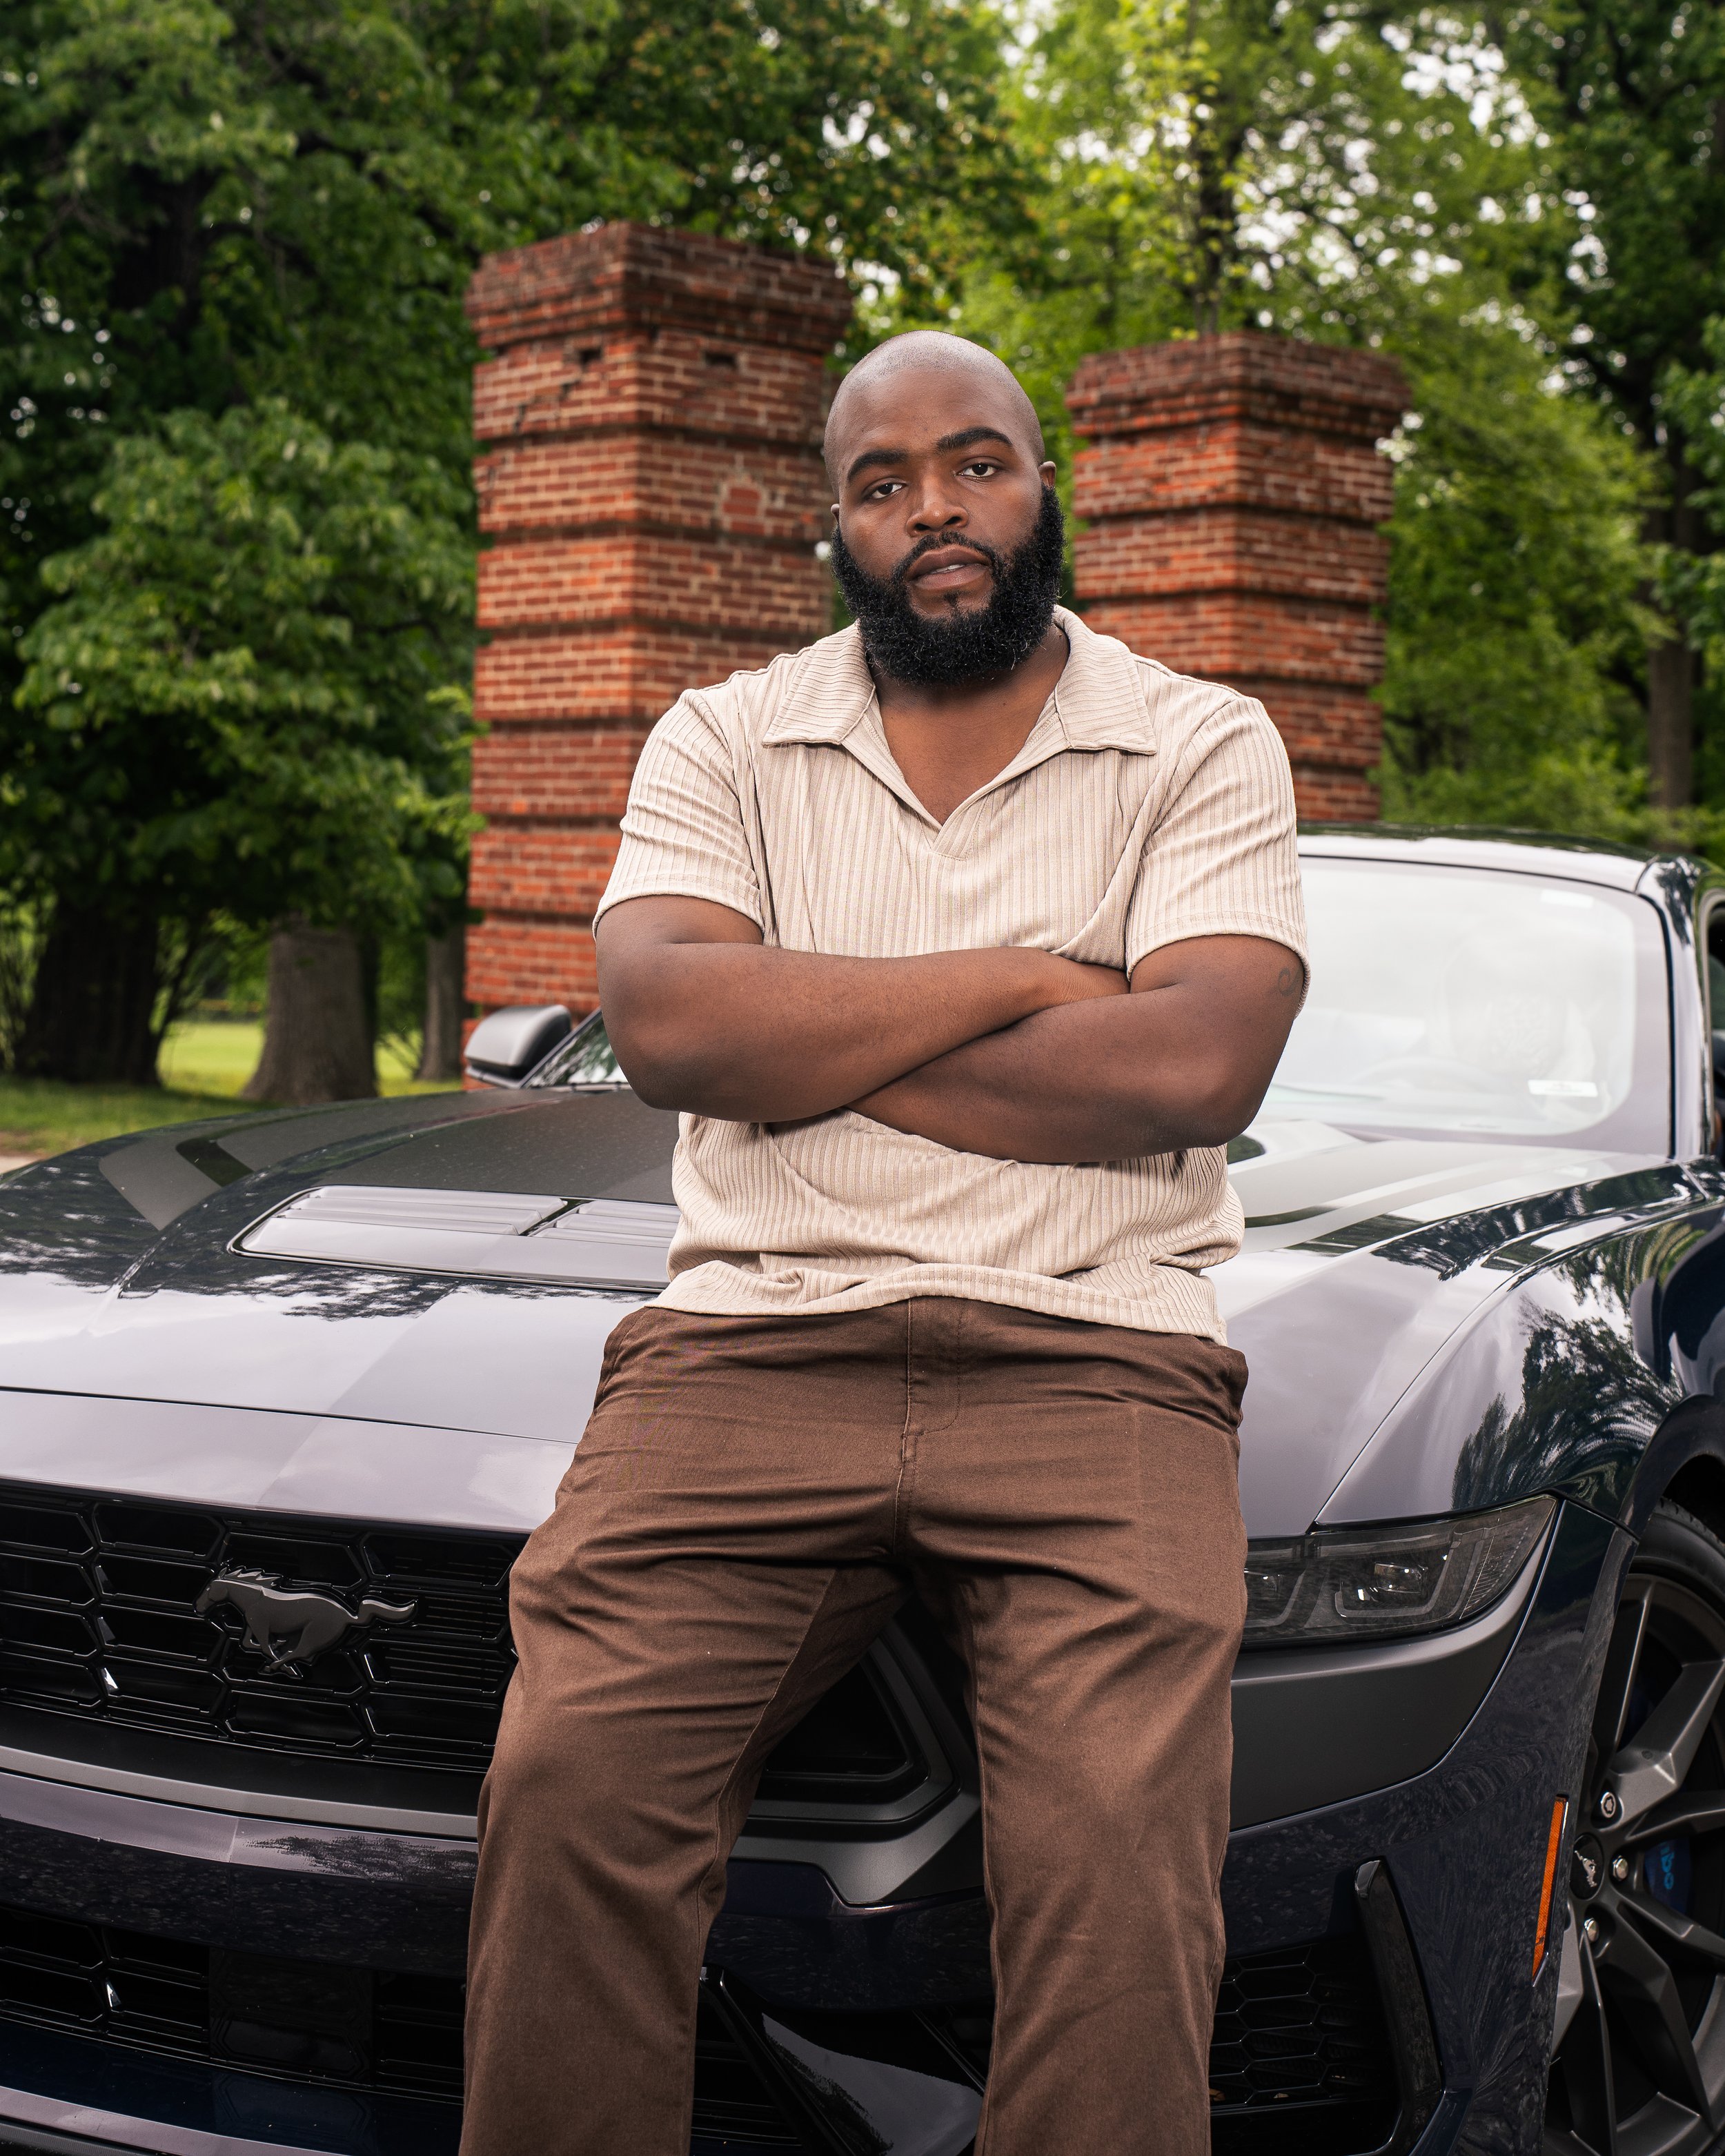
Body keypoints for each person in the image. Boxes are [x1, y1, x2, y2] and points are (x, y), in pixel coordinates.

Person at [460, 330, 1309, 2156]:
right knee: (566, 1781)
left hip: (1100, 1368)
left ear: (1042, 484)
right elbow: (672, 1030)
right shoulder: (724, 738)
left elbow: (1194, 1062)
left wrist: (812, 1044)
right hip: (745, 1365)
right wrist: (1024, 980)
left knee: (1116, 1857)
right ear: (833, 527)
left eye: (976, 462)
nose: (934, 505)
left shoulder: (1199, 740)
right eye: (881, 480)